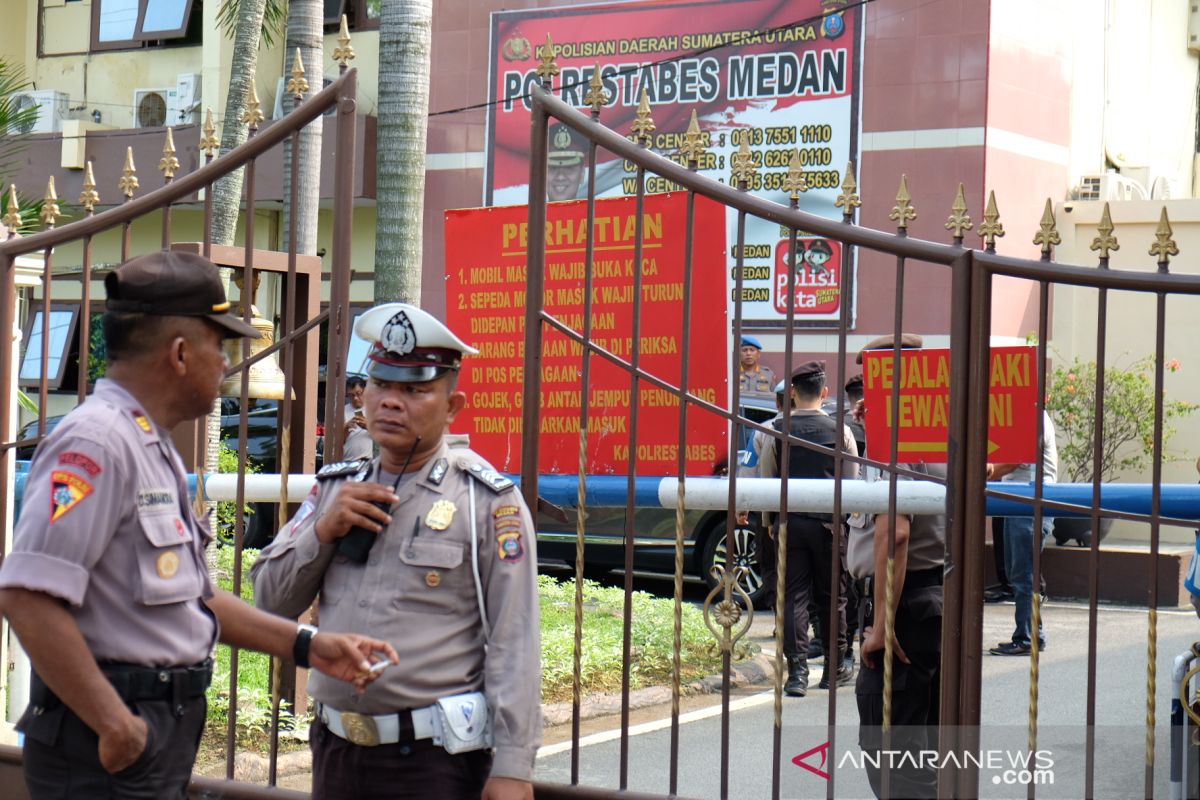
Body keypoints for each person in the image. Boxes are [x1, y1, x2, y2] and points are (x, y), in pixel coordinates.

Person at [0, 251, 396, 800]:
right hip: (106, 739)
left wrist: (309, 646)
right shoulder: (95, 443)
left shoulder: (147, 443)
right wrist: (115, 722)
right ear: (181, 353)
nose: (227, 362)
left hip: (149, 730)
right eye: (221, 345)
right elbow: (28, 597)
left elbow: (194, 598)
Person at [252, 302, 542, 800]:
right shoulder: (334, 490)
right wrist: (323, 531)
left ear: (451, 407)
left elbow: (515, 639)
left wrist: (513, 765)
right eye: (382, 385)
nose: (390, 402)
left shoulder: (485, 501)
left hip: (431, 761)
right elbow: (268, 602)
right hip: (336, 750)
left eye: (414, 390)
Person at [852, 332, 944, 799]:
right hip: (935, 598)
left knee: (895, 759)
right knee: (928, 749)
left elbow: (896, 531)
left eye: (869, 377)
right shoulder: (942, 435)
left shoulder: (898, 438)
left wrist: (881, 625)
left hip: (902, 605)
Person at [751, 360, 858, 696]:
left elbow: (767, 482)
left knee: (793, 597)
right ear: (825, 393)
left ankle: (796, 674)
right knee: (833, 598)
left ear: (793, 393)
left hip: (790, 524)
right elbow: (852, 481)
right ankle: (832, 669)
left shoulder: (776, 431)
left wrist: (769, 522)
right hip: (829, 524)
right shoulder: (841, 431)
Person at [988, 412, 1059, 656]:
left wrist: (984, 470)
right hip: (1018, 502)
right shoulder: (1023, 415)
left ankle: (1027, 638)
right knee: (1018, 572)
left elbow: (1015, 460)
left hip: (1031, 503)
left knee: (1024, 573)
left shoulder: (1032, 417)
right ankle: (1031, 635)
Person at [342, 374, 373, 461]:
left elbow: (383, 437)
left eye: (358, 394)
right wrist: (346, 428)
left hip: (368, 460)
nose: (355, 398)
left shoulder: (373, 410)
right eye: (351, 395)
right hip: (348, 461)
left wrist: (368, 426)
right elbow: (337, 442)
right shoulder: (342, 411)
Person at [738, 335, 776, 399]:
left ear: (758, 354)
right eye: (744, 350)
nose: (748, 353)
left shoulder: (768, 374)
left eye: (752, 350)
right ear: (738, 354)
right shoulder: (731, 374)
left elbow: (775, 398)